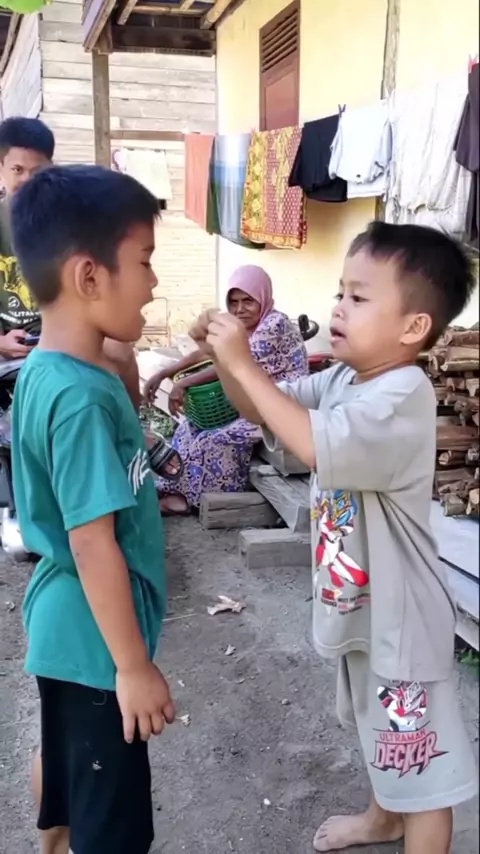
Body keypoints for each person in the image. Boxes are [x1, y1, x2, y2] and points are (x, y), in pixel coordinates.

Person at [189, 222, 478, 854]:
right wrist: (226, 360)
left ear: (414, 327)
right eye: (340, 291)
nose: (339, 307)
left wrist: (241, 360)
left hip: (402, 625)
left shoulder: (401, 395)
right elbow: (261, 407)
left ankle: (408, 820)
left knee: (420, 766)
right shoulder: (348, 379)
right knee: (380, 729)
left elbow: (313, 442)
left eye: (359, 296)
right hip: (364, 607)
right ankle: (383, 818)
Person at [10, 164, 175, 854]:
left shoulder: (54, 372)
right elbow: (91, 541)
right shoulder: (78, 397)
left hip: (69, 629)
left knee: (69, 773)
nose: (154, 282)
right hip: (95, 647)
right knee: (111, 828)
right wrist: (132, 667)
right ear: (88, 276)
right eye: (145, 261)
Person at [145, 264, 309, 515]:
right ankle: (173, 489)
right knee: (189, 429)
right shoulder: (243, 326)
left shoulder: (274, 324)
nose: (240, 309)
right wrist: (165, 373)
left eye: (248, 301)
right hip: (250, 403)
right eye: (234, 302)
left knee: (215, 439)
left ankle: (199, 499)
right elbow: (209, 350)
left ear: (263, 297)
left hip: (279, 408)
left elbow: (234, 363)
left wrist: (183, 383)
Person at [0, 116, 141, 407]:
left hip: (66, 329)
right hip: (11, 339)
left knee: (120, 352)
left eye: (37, 171)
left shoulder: (71, 221)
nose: (26, 180)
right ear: (1, 168)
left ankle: (131, 425)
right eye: (17, 170)